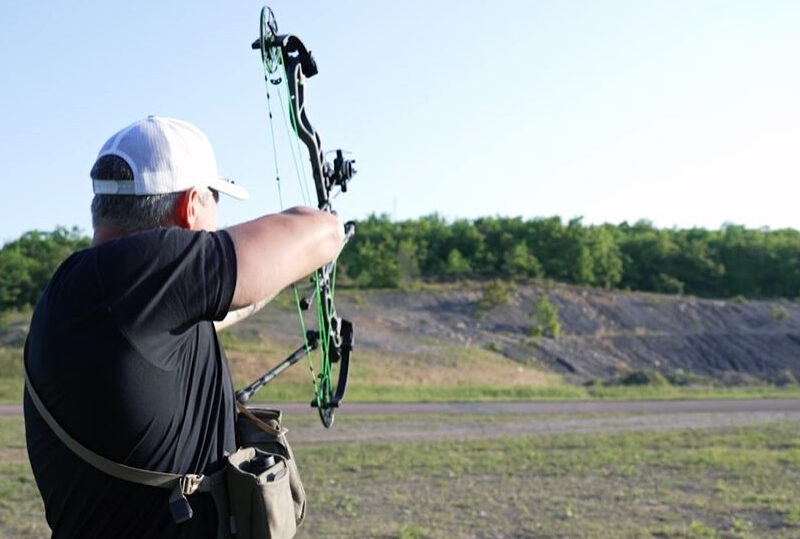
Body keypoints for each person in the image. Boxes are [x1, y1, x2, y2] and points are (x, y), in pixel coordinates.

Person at [23, 116, 344, 538]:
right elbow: (321, 231)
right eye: (215, 201)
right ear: (191, 206)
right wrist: (332, 233)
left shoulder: (94, 296)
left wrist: (286, 275)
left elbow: (224, 305)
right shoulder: (136, 272)